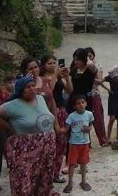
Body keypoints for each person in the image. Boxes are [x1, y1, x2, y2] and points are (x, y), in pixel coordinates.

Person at [0, 75, 58, 196]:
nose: (32, 89)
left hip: (46, 148)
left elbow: (49, 112)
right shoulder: (14, 105)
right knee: (24, 180)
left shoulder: (40, 99)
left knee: (44, 179)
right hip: (26, 150)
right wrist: (9, 128)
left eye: (33, 86)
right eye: (27, 87)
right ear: (20, 90)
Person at [41, 54, 73, 185]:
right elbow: (49, 91)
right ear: (43, 65)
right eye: (50, 63)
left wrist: (66, 76)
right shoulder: (41, 79)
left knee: (61, 144)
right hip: (47, 112)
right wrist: (55, 75)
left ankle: (56, 173)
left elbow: (70, 90)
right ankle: (46, 175)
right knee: (49, 145)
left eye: (54, 63)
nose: (53, 65)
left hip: (61, 110)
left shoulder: (59, 77)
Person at [64, 94, 94, 193]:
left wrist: (88, 129)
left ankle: (83, 181)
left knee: (83, 163)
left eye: (82, 102)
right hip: (74, 144)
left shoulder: (89, 114)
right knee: (72, 164)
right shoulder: (71, 116)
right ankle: (70, 183)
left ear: (86, 103)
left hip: (85, 143)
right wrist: (59, 130)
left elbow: (90, 125)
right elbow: (66, 128)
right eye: (78, 103)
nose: (81, 105)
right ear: (74, 106)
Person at [85, 48, 109, 146]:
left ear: (93, 56)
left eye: (90, 56)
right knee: (84, 118)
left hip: (94, 94)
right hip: (83, 95)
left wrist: (87, 77)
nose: (88, 58)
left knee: (98, 117)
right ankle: (87, 142)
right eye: (86, 56)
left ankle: (103, 140)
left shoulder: (97, 66)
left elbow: (99, 81)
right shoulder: (81, 67)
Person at [102, 74, 118, 142]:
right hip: (112, 97)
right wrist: (108, 89)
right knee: (112, 119)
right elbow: (101, 81)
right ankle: (108, 137)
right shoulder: (111, 76)